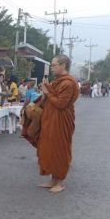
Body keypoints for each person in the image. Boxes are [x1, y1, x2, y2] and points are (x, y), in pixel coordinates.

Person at [36, 54, 79, 193]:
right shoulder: (57, 81)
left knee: (60, 149)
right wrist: (46, 90)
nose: (51, 68)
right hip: (51, 120)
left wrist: (47, 92)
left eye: (54, 65)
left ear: (63, 65)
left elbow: (60, 103)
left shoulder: (67, 83)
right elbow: (50, 97)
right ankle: (53, 180)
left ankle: (60, 181)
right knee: (50, 148)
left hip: (61, 120)